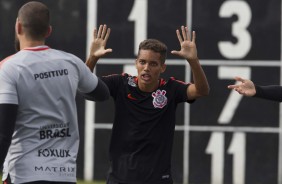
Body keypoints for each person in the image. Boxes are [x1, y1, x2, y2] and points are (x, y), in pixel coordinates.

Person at [0, 2, 110, 184]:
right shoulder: (71, 63)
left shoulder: (9, 68)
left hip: (24, 175)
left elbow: (3, 133)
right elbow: (101, 94)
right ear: (48, 31)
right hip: (64, 175)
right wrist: (91, 60)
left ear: (18, 26)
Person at [86, 24, 210, 184]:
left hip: (158, 179)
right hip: (120, 178)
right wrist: (93, 57)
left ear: (162, 68)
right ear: (136, 63)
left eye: (153, 64)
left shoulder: (171, 89)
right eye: (142, 62)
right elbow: (84, 84)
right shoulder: (120, 83)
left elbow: (202, 90)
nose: (146, 68)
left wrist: (193, 60)